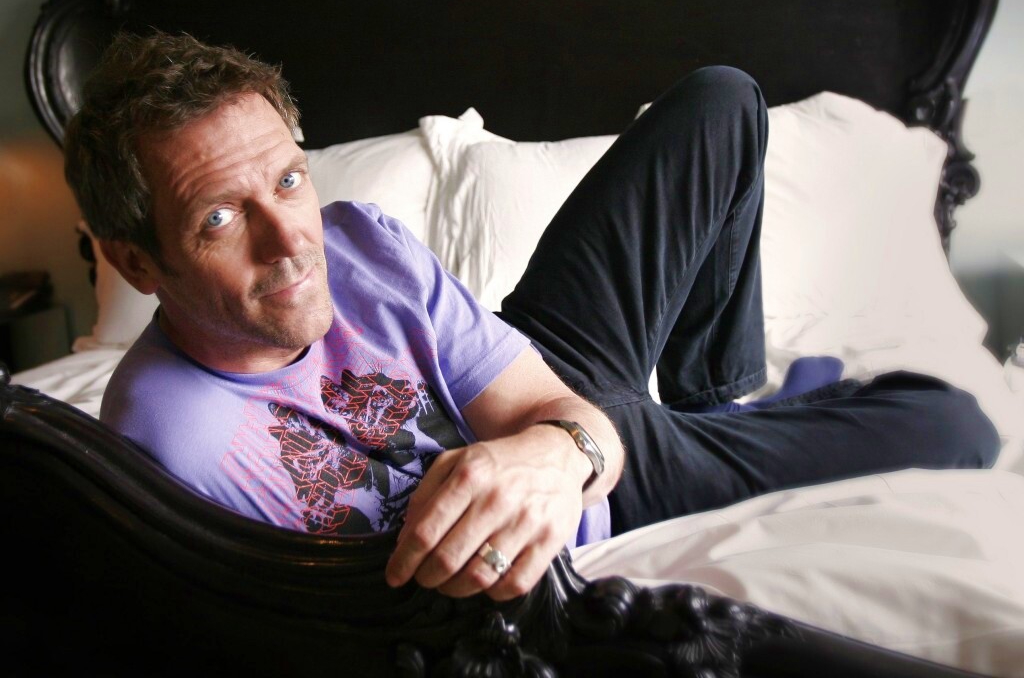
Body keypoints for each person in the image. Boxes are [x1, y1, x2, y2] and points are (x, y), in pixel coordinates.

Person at [64, 32, 1001, 602]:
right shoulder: (170, 443)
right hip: (603, 500)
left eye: (288, 179)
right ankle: (719, 432)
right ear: (136, 261)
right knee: (955, 425)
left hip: (543, 387)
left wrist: (560, 449)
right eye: (220, 219)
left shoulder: (356, 240)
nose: (291, 241)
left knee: (722, 101)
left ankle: (713, 402)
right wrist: (569, 459)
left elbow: (550, 405)